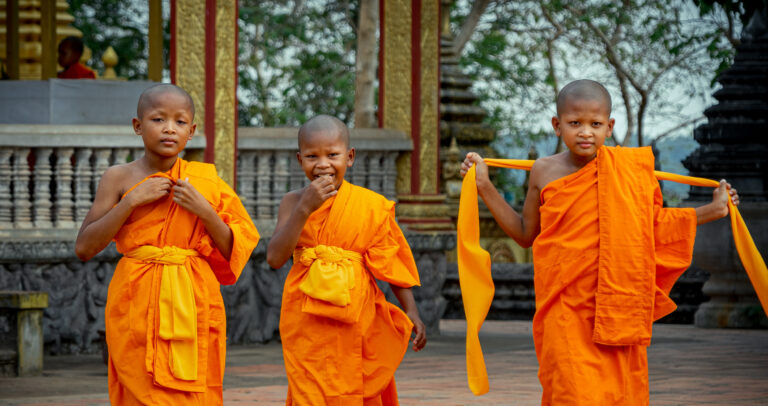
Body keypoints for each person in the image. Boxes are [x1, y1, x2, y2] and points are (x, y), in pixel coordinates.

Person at [460, 79, 740, 405]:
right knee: (569, 390)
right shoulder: (544, 171)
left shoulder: (628, 172)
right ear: (557, 125)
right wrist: (485, 187)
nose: (585, 132)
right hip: (563, 306)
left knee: (616, 395)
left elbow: (650, 227)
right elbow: (525, 234)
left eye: (595, 124)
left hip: (615, 305)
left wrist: (713, 209)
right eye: (574, 123)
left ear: (610, 127)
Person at [74, 83, 259, 405]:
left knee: (195, 388)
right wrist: (129, 202)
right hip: (137, 296)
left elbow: (237, 248)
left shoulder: (206, 181)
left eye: (180, 122)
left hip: (194, 296)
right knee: (139, 386)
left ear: (192, 131)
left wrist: (205, 211)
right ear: (137, 125)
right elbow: (85, 247)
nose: (169, 129)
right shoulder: (118, 178)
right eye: (158, 119)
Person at [267, 115, 427, 404]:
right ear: (299, 159)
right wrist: (304, 209)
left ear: (349, 157)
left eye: (332, 155)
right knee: (309, 389)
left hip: (356, 317)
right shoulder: (293, 202)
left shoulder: (370, 205)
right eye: (312, 156)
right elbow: (275, 258)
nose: (323, 164)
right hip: (307, 320)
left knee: (357, 382)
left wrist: (411, 311)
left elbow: (390, 262)